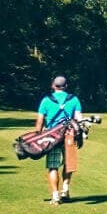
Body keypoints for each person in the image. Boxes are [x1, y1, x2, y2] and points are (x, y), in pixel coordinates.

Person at [36, 75, 82, 205]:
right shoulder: (74, 99)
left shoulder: (46, 100)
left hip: (52, 136)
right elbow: (79, 119)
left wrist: (38, 136)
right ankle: (65, 190)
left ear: (53, 86)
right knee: (69, 163)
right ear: (66, 86)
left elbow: (40, 121)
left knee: (53, 166)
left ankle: (56, 196)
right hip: (69, 134)